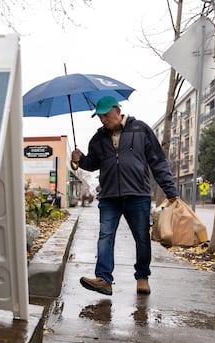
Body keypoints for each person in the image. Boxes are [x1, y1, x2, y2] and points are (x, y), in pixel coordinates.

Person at [71, 96, 178, 296]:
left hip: (137, 194)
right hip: (109, 196)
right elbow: (93, 163)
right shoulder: (98, 138)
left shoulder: (140, 130)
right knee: (105, 236)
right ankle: (104, 279)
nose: (103, 120)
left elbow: (158, 161)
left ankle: (143, 277)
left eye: (106, 115)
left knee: (142, 238)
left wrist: (171, 191)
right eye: (100, 117)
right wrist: (80, 159)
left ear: (118, 111)